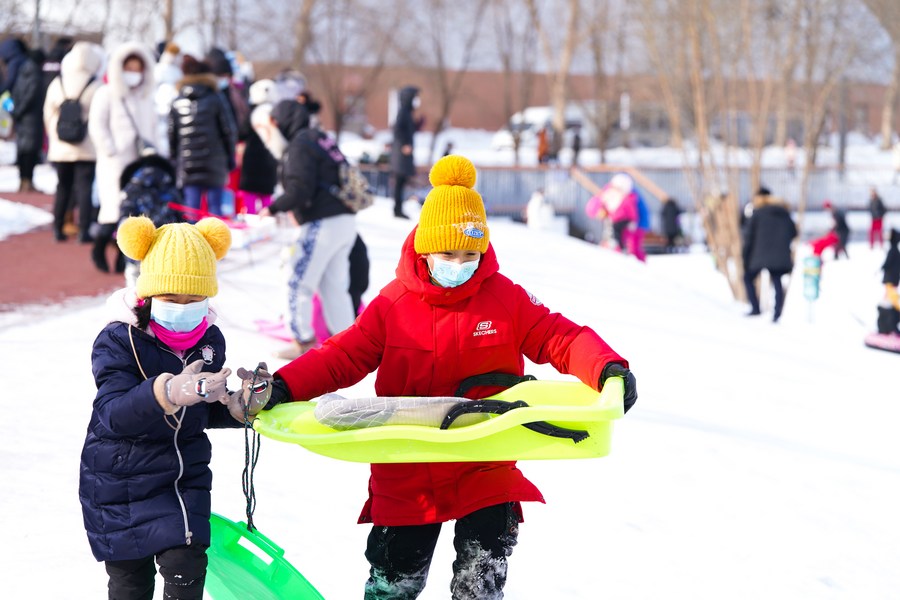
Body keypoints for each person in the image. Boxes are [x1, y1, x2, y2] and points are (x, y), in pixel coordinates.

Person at [258, 155, 637, 598]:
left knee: (480, 580)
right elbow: (341, 356)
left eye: (471, 254)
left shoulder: (505, 298)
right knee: (394, 582)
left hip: (486, 457)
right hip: (407, 460)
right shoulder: (393, 305)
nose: (460, 264)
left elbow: (559, 336)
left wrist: (606, 367)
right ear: (425, 248)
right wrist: (285, 385)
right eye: (448, 254)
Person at [79, 215, 274, 599]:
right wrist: (166, 391)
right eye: (171, 298)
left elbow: (200, 408)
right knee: (131, 585)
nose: (183, 307)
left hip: (182, 479)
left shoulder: (210, 340)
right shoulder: (118, 339)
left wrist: (237, 406)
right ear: (149, 294)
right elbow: (112, 413)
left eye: (194, 299)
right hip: (120, 481)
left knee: (187, 570)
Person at [261, 100, 357, 360]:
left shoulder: (300, 145)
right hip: (345, 220)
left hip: (322, 222)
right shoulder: (320, 138)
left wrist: (273, 208)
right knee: (334, 287)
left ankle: (303, 342)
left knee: (296, 282)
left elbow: (300, 189)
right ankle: (350, 345)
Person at [89, 42, 158, 273]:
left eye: (138, 68)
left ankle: (124, 255)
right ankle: (99, 247)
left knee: (134, 212)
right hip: (115, 163)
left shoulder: (146, 96)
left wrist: (155, 154)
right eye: (129, 68)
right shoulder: (106, 93)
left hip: (140, 162)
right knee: (113, 209)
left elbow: (153, 128)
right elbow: (97, 125)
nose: (133, 73)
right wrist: (109, 149)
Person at [43, 41, 104, 243]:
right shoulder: (96, 85)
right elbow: (100, 117)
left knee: (63, 187)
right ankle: (84, 231)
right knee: (85, 188)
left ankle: (57, 228)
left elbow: (48, 113)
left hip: (61, 147)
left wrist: (55, 136)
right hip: (87, 147)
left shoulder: (58, 82)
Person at [168, 56, 237, 218]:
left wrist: (175, 160)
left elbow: (172, 135)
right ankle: (215, 236)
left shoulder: (177, 101)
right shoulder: (216, 98)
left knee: (191, 210)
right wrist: (230, 158)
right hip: (214, 162)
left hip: (187, 164)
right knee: (215, 210)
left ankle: (191, 235)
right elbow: (228, 130)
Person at [741, 189, 798, 322]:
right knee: (777, 281)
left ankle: (755, 308)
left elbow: (748, 237)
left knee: (748, 278)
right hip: (779, 254)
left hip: (759, 255)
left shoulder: (757, 213)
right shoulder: (784, 213)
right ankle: (777, 313)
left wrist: (745, 256)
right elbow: (794, 232)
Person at [0, 38, 44, 192]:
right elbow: (30, 95)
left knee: (24, 148)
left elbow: (14, 92)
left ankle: (25, 181)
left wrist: (14, 110)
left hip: (22, 115)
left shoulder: (19, 69)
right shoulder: (32, 72)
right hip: (29, 117)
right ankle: (26, 181)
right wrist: (18, 111)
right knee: (29, 149)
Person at [237, 78, 279, 214]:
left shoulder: (251, 113)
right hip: (270, 157)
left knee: (250, 194)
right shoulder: (276, 113)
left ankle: (251, 218)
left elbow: (241, 133)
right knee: (266, 194)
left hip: (252, 159)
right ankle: (267, 218)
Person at [390, 85, 421, 219]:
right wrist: (404, 145)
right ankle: (397, 210)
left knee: (402, 182)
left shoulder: (407, 112)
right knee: (399, 181)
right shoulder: (403, 112)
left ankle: (399, 208)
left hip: (404, 154)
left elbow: (409, 130)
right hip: (401, 155)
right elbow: (397, 130)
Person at [877, 228, 900, 335]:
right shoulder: (896, 251)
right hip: (893, 280)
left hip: (890, 280)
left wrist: (880, 268)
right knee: (888, 299)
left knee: (891, 300)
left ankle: (890, 325)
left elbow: (887, 263)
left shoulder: (893, 251)